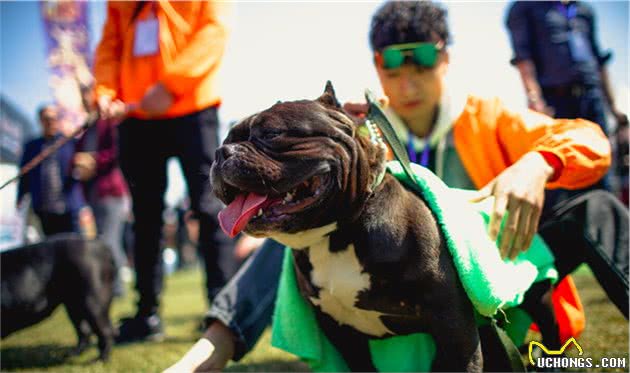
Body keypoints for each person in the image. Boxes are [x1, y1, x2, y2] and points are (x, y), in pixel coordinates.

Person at [167, 1, 628, 371]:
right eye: (393, 63)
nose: (408, 79)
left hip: (503, 263)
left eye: (423, 59)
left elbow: (589, 138)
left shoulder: (487, 115)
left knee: (599, 207)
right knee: (297, 226)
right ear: (376, 65)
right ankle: (213, 348)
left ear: (445, 58)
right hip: (385, 289)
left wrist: (538, 163)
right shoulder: (362, 130)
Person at [93, 1, 236, 343]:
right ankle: (147, 314)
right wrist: (105, 92)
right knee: (144, 216)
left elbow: (213, 31)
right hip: (135, 114)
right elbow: (110, 45)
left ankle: (224, 310)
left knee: (208, 206)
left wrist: (171, 85)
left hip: (192, 105)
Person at [506, 0, 628, 203]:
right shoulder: (525, 7)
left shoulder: (584, 10)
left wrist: (613, 107)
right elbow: (523, 57)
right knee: (561, 179)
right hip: (555, 102)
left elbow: (598, 60)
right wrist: (536, 103)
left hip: (592, 98)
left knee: (604, 172)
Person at [74, 83, 131, 297]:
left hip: (111, 192)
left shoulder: (108, 123)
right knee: (101, 240)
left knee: (109, 240)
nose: (85, 98)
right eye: (82, 95)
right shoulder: (87, 126)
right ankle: (109, 286)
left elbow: (116, 152)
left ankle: (115, 289)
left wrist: (94, 161)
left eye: (88, 93)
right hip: (94, 193)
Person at [17, 105, 87, 236]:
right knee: (52, 248)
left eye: (54, 118)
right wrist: (20, 198)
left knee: (73, 246)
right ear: (40, 120)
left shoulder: (69, 142)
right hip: (45, 210)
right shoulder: (32, 147)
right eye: (47, 118)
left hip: (69, 207)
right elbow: (24, 175)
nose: (51, 122)